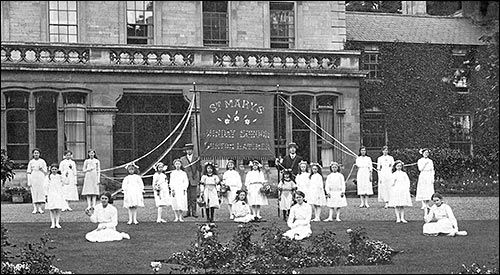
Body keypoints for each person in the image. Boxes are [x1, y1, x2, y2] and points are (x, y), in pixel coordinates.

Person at [180, 143, 202, 218]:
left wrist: (199, 163)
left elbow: (199, 169)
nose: (188, 151)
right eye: (187, 150)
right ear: (185, 151)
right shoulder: (182, 159)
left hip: (193, 179)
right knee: (187, 197)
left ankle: (194, 211)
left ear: (192, 150)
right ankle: (188, 211)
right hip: (185, 180)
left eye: (190, 150)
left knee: (193, 197)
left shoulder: (196, 158)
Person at [44, 163, 67, 229]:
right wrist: (46, 194)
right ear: (50, 169)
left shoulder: (60, 176)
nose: (54, 170)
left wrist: (66, 176)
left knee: (58, 208)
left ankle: (57, 222)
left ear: (57, 170)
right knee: (52, 208)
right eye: (52, 169)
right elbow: (45, 186)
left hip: (58, 193)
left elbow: (66, 182)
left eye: (55, 169)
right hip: (51, 193)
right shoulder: (48, 177)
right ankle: (52, 223)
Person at [27, 148, 47, 214]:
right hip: (33, 177)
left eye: (37, 153)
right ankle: (35, 208)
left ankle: (40, 208)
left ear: (39, 154)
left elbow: (46, 172)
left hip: (41, 177)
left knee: (41, 193)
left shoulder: (42, 161)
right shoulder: (31, 162)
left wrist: (41, 169)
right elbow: (29, 172)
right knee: (34, 193)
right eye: (35, 153)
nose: (36, 154)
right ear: (33, 154)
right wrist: (29, 181)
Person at [416, 148, 435, 213]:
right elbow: (420, 169)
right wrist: (425, 164)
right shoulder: (420, 160)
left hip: (429, 175)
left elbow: (432, 169)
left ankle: (427, 204)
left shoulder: (430, 161)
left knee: (428, 189)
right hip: (423, 175)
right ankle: (423, 204)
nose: (426, 154)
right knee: (423, 189)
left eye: (427, 153)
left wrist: (432, 177)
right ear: (422, 153)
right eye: (425, 153)